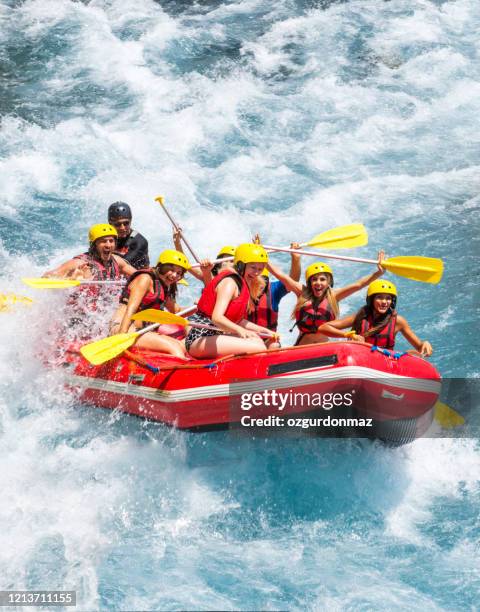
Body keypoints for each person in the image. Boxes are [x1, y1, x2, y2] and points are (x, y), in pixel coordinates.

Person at [185, 243, 277, 359]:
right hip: (200, 337)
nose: (257, 273)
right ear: (240, 265)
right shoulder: (230, 282)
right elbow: (217, 317)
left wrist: (266, 331)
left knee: (258, 341)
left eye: (260, 269)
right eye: (253, 267)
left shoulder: (243, 284)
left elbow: (238, 321)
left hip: (214, 335)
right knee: (259, 348)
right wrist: (240, 331)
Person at [289, 253, 386, 345]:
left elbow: (358, 285)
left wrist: (379, 273)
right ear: (309, 282)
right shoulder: (302, 294)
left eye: (322, 279)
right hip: (301, 346)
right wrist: (295, 257)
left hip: (324, 346)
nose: (318, 282)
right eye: (314, 279)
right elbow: (282, 276)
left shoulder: (334, 296)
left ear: (328, 282)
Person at [318, 279, 433, 357]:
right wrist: (349, 335)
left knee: (412, 353)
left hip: (384, 361)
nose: (384, 302)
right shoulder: (360, 317)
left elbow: (420, 348)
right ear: (371, 300)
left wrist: (425, 344)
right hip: (360, 359)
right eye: (379, 297)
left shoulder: (398, 321)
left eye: (388, 298)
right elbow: (323, 327)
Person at [109, 249, 190, 357]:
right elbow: (131, 309)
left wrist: (199, 308)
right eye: (171, 270)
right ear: (161, 266)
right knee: (174, 347)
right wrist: (121, 337)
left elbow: (177, 311)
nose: (175, 275)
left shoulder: (163, 285)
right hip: (124, 328)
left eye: (179, 273)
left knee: (179, 344)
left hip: (142, 331)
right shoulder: (145, 279)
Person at [247, 243, 302, 349]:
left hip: (268, 339)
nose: (259, 283)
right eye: (255, 279)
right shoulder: (240, 288)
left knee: (274, 345)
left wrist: (295, 259)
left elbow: (292, 282)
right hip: (246, 337)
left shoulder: (273, 290)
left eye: (263, 280)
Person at [43, 223, 135, 281]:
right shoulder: (79, 263)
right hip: (78, 310)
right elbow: (46, 277)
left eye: (111, 241)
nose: (108, 245)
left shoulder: (117, 261)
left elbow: (138, 275)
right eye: (103, 241)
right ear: (94, 245)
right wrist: (70, 279)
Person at [108, 202, 150, 269]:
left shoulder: (140, 242)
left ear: (130, 221)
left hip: (138, 275)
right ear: (110, 224)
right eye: (118, 224)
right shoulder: (106, 238)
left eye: (126, 223)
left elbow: (122, 265)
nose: (122, 227)